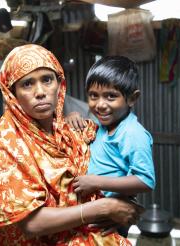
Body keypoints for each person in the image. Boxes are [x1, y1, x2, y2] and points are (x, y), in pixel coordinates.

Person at [0, 45, 143, 245]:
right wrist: (103, 208)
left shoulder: (69, 129)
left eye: (47, 80)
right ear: (12, 93)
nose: (40, 92)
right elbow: (31, 224)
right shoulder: (4, 143)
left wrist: (124, 203)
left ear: (59, 84)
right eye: (27, 84)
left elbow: (117, 161)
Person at [66, 56, 156, 237]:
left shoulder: (132, 133)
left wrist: (95, 181)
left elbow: (145, 181)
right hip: (95, 210)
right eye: (93, 96)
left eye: (111, 96)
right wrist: (71, 118)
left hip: (111, 217)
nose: (100, 104)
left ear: (132, 98)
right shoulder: (101, 126)